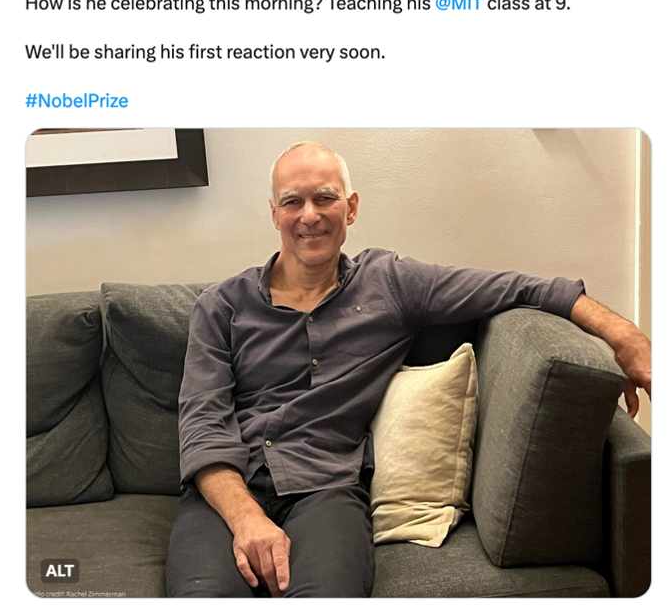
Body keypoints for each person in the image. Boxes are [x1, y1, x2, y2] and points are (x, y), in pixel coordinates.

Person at [166, 141, 652, 598]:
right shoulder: (222, 306)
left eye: (325, 198)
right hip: (228, 489)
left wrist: (625, 336)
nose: (309, 215)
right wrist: (247, 518)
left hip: (328, 489)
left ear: (351, 207)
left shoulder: (389, 284)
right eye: (292, 202)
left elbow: (523, 288)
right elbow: (203, 422)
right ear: (274, 214)